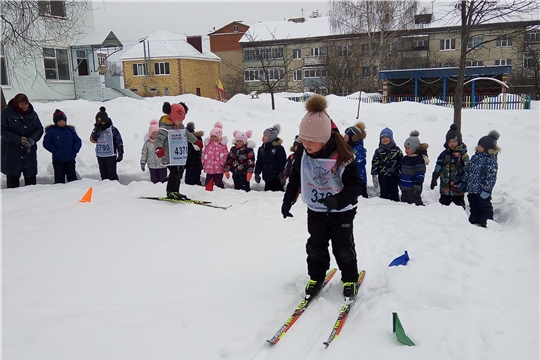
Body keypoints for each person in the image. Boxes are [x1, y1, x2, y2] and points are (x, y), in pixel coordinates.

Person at [281, 94, 364, 300]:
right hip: (316, 210)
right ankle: (316, 277)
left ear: (325, 138)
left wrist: (337, 200)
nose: (306, 145)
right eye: (303, 140)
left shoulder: (343, 155)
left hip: (342, 212)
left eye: (312, 141)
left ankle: (350, 279)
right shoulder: (303, 152)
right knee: (315, 247)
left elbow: (356, 186)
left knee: (343, 248)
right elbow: (296, 177)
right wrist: (288, 200)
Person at [154, 101, 198, 200]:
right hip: (169, 156)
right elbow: (159, 139)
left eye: (182, 120)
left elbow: (187, 134)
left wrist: (195, 141)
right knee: (175, 172)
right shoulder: (165, 128)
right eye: (178, 119)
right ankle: (171, 192)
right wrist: (159, 148)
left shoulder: (180, 126)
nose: (180, 122)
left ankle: (174, 191)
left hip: (178, 157)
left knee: (180, 171)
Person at [1, 93, 44, 188]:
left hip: (29, 151)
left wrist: (33, 139)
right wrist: (18, 139)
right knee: (12, 181)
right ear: (17, 104)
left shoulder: (32, 114)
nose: (24, 106)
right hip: (12, 151)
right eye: (21, 104)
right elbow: (3, 131)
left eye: (26, 103)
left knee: (31, 181)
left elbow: (39, 129)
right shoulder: (6, 113)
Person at [460, 130, 500, 228]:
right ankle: (474, 218)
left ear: (487, 148)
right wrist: (464, 181)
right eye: (478, 145)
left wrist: (487, 189)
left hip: (482, 189)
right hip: (472, 188)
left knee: (484, 205)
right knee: (473, 203)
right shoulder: (475, 157)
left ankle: (486, 220)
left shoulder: (490, 161)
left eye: (481, 146)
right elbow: (468, 170)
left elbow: (491, 177)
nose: (478, 147)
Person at [430, 124, 469, 208]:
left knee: (458, 206)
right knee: (443, 205)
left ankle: (460, 217)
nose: (452, 144)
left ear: (459, 141)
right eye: (450, 142)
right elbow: (439, 165)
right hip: (445, 186)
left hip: (457, 187)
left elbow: (467, 169)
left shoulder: (463, 155)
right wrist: (435, 176)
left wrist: (465, 182)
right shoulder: (444, 154)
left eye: (454, 141)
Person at [43, 109, 82, 183]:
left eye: (63, 121)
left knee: (72, 177)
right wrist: (54, 150)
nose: (62, 122)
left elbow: (77, 140)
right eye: (60, 121)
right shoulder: (51, 131)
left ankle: (74, 191)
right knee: (59, 178)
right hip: (58, 159)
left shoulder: (70, 130)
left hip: (70, 158)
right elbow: (46, 143)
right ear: (55, 122)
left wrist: (75, 150)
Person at [90, 106, 124, 181]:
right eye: (98, 122)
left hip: (110, 154)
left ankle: (114, 187)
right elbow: (93, 139)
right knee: (103, 173)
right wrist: (97, 131)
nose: (100, 123)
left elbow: (119, 142)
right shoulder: (96, 129)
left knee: (111, 173)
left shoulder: (113, 129)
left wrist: (120, 153)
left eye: (102, 121)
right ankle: (104, 188)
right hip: (100, 155)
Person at [370, 127, 402, 202]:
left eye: (387, 137)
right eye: (383, 137)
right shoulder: (378, 151)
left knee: (394, 190)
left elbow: (401, 161)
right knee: (384, 190)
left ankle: (396, 203)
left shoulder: (396, 150)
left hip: (394, 175)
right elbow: (375, 162)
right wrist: (374, 174)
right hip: (382, 175)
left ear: (391, 138)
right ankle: (384, 204)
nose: (385, 139)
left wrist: (401, 172)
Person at [400, 130, 429, 206]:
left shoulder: (418, 159)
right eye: (405, 148)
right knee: (404, 204)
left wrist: (418, 183)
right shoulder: (405, 158)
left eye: (408, 148)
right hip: (404, 187)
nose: (406, 150)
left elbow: (420, 172)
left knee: (415, 203)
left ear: (415, 148)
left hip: (413, 188)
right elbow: (401, 170)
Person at [254, 124, 287, 191]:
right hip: (267, 176)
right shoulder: (261, 149)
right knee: (267, 193)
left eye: (266, 136)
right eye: (263, 135)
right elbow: (259, 162)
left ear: (271, 137)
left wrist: (282, 174)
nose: (263, 137)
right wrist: (257, 173)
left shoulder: (278, 148)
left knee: (277, 192)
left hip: (277, 177)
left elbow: (282, 162)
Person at [201, 121, 229, 189]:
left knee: (218, 182)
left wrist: (222, 162)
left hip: (218, 168)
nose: (213, 138)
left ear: (219, 137)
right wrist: (204, 161)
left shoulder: (222, 145)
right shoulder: (208, 145)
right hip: (209, 166)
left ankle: (219, 190)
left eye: (215, 136)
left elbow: (225, 154)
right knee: (208, 180)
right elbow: (204, 153)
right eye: (212, 136)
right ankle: (207, 190)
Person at [344, 122, 368, 198]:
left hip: (359, 179)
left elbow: (358, 160)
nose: (344, 136)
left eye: (347, 135)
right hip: (350, 178)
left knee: (361, 197)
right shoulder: (347, 147)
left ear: (352, 137)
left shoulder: (359, 148)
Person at [140, 119, 168, 184]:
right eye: (153, 134)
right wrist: (143, 162)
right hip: (152, 166)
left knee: (163, 180)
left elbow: (167, 152)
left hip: (162, 165)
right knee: (154, 180)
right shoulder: (147, 144)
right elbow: (144, 154)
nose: (155, 135)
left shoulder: (163, 142)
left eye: (157, 134)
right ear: (150, 134)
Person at [184, 121, 204, 186]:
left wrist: (185, 165)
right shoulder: (198, 138)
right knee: (197, 180)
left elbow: (189, 154)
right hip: (198, 164)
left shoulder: (189, 140)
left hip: (190, 165)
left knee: (189, 182)